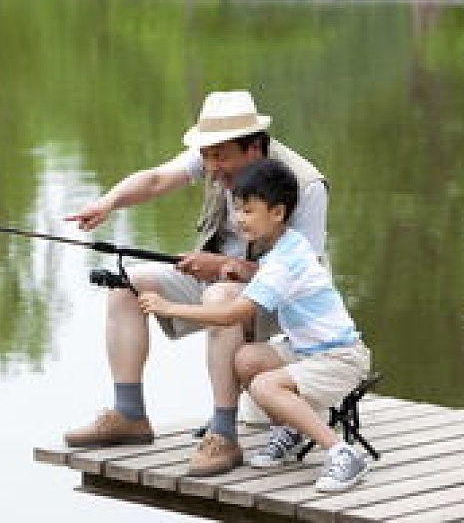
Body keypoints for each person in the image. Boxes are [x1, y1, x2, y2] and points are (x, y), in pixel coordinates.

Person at [62, 90, 330, 469]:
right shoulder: (215, 156)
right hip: (217, 281)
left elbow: (306, 277)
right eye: (205, 155)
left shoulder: (306, 185)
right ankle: (130, 415)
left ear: (253, 149)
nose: (210, 165)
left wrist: (223, 267)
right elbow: (155, 179)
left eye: (219, 156)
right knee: (125, 283)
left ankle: (223, 434)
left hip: (280, 302)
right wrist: (107, 203)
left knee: (220, 295)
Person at [139, 159, 371, 492]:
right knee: (246, 359)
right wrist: (239, 270)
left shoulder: (284, 260)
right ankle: (290, 430)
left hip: (340, 359)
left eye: (248, 211)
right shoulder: (283, 247)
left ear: (277, 213)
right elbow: (266, 276)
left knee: (264, 386)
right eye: (236, 209)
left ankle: (342, 454)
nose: (238, 219)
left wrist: (169, 306)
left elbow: (232, 314)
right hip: (310, 352)